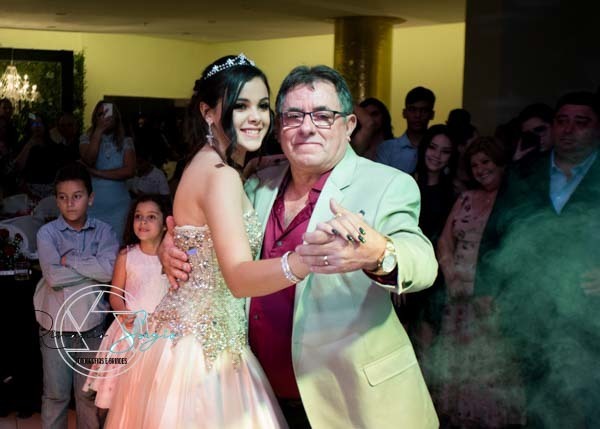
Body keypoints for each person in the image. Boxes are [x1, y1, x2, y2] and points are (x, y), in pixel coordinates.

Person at [163, 65, 439, 428]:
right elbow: (211, 237)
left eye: (323, 116)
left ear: (349, 125)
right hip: (254, 395)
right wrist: (174, 247)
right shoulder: (256, 183)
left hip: (349, 401)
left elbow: (422, 260)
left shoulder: (386, 184)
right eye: (293, 116)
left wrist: (380, 253)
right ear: (280, 128)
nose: (307, 127)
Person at [105, 54, 297, 429]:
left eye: (262, 105)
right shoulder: (220, 174)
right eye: (240, 105)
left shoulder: (207, 164)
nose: (256, 116)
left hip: (182, 340)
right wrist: (303, 261)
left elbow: (195, 239)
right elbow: (237, 277)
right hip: (205, 353)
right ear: (208, 112)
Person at [475, 91, 600, 428]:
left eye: (581, 122)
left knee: (586, 399)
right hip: (529, 305)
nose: (569, 129)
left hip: (589, 310)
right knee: (536, 399)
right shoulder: (524, 170)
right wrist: (486, 290)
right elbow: (496, 230)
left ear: (597, 128)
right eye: (562, 121)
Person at [429, 137, 525, 427]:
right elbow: (444, 241)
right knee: (458, 362)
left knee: (489, 363)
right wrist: (451, 277)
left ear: (501, 163)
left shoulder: (513, 201)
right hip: (457, 295)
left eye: (486, 162)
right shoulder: (466, 198)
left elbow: (517, 253)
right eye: (475, 165)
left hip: (492, 296)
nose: (481, 169)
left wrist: (494, 291)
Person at [34, 163, 119, 429]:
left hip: (91, 326)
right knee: (55, 396)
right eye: (63, 197)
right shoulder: (47, 233)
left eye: (77, 196)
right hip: (55, 327)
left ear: (90, 198)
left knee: (87, 396)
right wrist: (92, 269)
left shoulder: (105, 232)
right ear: (56, 200)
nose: (70, 203)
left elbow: (109, 272)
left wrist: (69, 259)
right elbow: (53, 277)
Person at [82, 194, 170, 415]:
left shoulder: (172, 257)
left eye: (151, 217)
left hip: (161, 333)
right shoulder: (126, 255)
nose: (143, 222)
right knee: (125, 395)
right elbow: (115, 294)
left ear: (165, 224)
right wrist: (123, 313)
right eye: (138, 216)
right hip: (129, 331)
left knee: (154, 393)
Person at [80, 101, 136, 242]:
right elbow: (89, 160)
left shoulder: (126, 141)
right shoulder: (86, 138)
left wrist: (97, 173)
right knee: (91, 244)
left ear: (116, 117)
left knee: (115, 245)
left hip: (118, 207)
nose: (105, 117)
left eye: (108, 114)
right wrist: (98, 131)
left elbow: (129, 171)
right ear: (95, 117)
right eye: (100, 114)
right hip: (93, 205)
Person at [375, 86, 435, 174]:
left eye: (424, 110)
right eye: (412, 110)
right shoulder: (387, 148)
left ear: (432, 115)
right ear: (404, 113)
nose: (418, 115)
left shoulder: (438, 151)